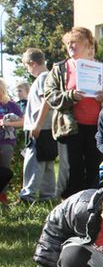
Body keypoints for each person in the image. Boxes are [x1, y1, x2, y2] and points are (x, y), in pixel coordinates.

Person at [44, 26, 103, 199]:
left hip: (97, 127)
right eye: (68, 43)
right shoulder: (59, 69)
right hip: (70, 127)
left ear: (88, 44)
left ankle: (93, 204)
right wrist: (70, 96)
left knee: (96, 167)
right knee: (71, 170)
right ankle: (70, 207)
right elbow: (49, 95)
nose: (71, 46)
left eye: (75, 42)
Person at [19, 48, 57, 203]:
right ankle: (47, 196)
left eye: (27, 67)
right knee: (46, 162)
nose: (27, 70)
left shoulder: (42, 78)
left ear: (32, 63)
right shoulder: (49, 77)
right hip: (47, 128)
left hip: (39, 128)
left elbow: (46, 101)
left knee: (33, 162)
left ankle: (27, 195)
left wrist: (37, 125)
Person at [0, 78, 23, 204]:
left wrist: (8, 122)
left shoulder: (11, 105)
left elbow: (23, 121)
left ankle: (3, 197)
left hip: (6, 143)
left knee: (5, 170)